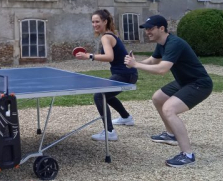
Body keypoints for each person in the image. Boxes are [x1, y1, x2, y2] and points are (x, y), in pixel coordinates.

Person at [124, 15, 213, 167]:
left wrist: (136, 65)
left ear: (162, 28)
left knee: (169, 109)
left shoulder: (174, 43)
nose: (147, 32)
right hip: (184, 82)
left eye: (150, 28)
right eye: (146, 29)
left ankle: (188, 155)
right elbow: (154, 60)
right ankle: (170, 135)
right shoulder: (162, 43)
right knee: (158, 98)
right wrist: (134, 63)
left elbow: (162, 69)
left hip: (199, 84)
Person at [75, 9, 138, 142]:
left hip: (124, 74)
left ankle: (110, 132)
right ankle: (126, 117)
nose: (94, 24)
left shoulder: (106, 37)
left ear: (105, 21)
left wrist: (88, 56)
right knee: (107, 95)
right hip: (129, 74)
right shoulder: (110, 35)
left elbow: (110, 57)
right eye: (92, 22)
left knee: (99, 95)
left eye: (97, 21)